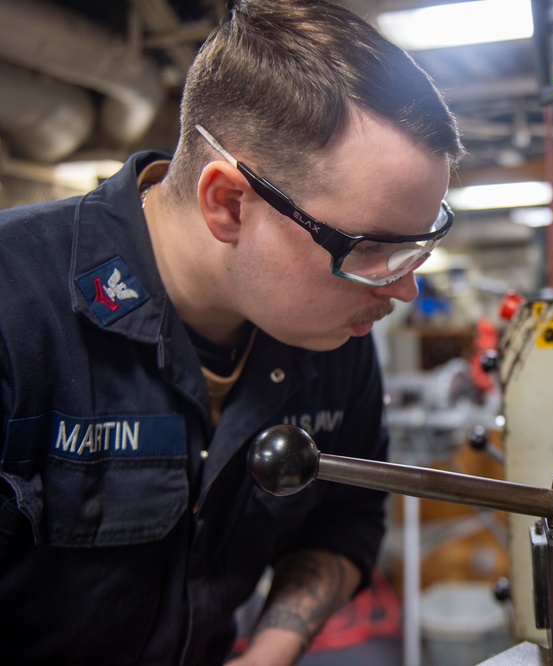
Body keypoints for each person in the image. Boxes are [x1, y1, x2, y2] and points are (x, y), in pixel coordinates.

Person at [0, 1, 463, 664]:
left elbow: (346, 519)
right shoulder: (15, 310)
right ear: (227, 203)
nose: (402, 289)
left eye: (418, 248)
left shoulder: (334, 332)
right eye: (369, 248)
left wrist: (270, 651)